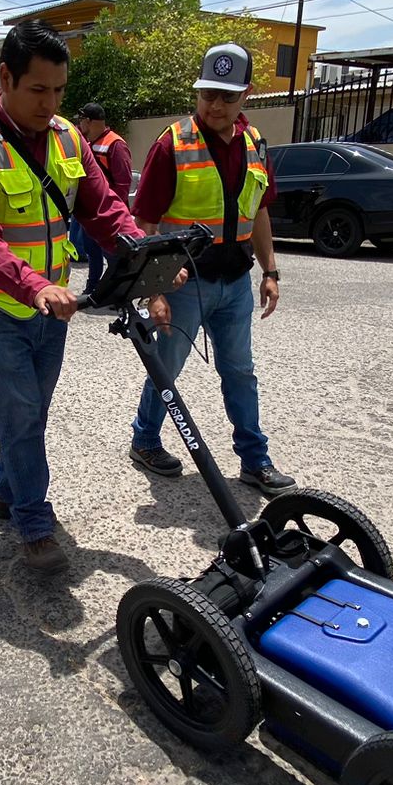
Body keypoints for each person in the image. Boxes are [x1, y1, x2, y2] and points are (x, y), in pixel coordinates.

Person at [0, 20, 141, 573]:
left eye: (59, 91)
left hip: (54, 307)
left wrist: (147, 254)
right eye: (38, 90)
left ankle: (5, 487)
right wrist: (36, 286)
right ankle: (33, 522)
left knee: (32, 411)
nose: (51, 102)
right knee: (24, 413)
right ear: (6, 77)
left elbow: (102, 209)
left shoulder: (67, 137)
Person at [126, 42, 297, 496]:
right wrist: (155, 290)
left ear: (247, 94)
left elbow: (258, 213)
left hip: (235, 282)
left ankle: (255, 461)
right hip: (186, 285)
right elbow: (144, 223)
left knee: (240, 371)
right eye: (207, 94)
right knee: (167, 367)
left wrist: (271, 272)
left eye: (226, 96)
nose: (215, 105)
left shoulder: (255, 143)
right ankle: (144, 440)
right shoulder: (173, 143)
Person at [71, 102, 133, 300]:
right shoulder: (89, 144)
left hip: (109, 213)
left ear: (89, 121)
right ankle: (93, 288)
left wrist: (113, 212)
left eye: (81, 121)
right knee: (91, 251)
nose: (80, 125)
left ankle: (120, 292)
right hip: (92, 213)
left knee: (113, 255)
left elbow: (123, 183)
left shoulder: (115, 144)